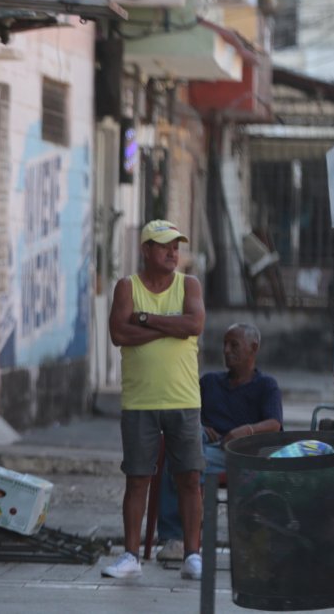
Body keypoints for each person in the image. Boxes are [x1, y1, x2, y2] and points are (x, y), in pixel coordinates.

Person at [104, 219, 206, 581]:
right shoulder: (126, 287)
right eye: (164, 246)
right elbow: (118, 333)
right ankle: (131, 555)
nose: (172, 252)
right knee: (137, 478)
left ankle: (192, 554)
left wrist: (145, 320)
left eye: (176, 246)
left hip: (183, 398)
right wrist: (169, 327)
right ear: (146, 249)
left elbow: (193, 325)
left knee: (190, 478)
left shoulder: (188, 285)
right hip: (140, 401)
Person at [155, 323, 283, 562]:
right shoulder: (210, 382)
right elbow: (186, 413)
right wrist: (200, 427)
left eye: (234, 345)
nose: (226, 350)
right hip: (203, 446)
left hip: (239, 454)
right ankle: (175, 538)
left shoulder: (266, 385)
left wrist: (245, 431)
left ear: (253, 348)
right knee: (181, 450)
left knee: (188, 458)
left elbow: (274, 424)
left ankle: (187, 537)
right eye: (224, 344)